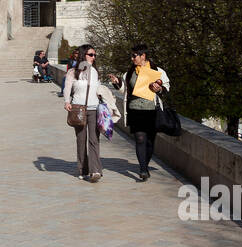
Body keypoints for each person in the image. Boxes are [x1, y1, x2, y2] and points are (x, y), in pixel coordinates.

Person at [111, 43, 170, 182]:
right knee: (140, 138)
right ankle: (143, 169)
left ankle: (145, 164)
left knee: (150, 141)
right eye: (131, 56)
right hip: (134, 109)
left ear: (143, 56)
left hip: (151, 110)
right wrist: (116, 82)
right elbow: (123, 89)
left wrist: (159, 89)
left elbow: (167, 86)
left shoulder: (157, 71)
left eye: (134, 56)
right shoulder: (130, 72)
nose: (132, 58)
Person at [63, 43, 106, 182]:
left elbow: (98, 88)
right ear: (83, 55)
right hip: (78, 109)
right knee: (81, 140)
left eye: (94, 55)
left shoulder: (95, 71)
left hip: (94, 109)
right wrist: (67, 101)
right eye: (91, 55)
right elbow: (67, 88)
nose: (93, 57)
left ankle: (95, 171)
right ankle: (83, 169)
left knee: (94, 140)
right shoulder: (74, 72)